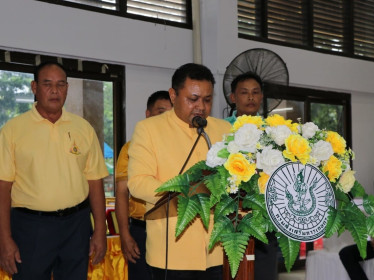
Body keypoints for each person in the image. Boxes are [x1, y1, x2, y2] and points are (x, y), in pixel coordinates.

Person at [0, 62, 108, 280]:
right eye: (47, 84)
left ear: (67, 88)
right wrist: (4, 238)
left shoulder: (83, 128)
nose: (55, 90)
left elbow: (95, 182)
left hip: (76, 226)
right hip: (31, 227)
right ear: (34, 87)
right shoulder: (12, 130)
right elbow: (3, 187)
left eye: (61, 85)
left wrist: (99, 231)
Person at [127, 63, 231, 280]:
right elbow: (138, 183)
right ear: (173, 95)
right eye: (193, 99)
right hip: (172, 253)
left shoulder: (224, 130)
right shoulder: (149, 129)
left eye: (207, 99)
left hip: (219, 250)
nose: (200, 106)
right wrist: (184, 192)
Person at [225, 72, 279, 280]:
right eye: (244, 93)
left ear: (261, 97)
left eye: (255, 92)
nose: (250, 97)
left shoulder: (273, 132)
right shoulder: (221, 128)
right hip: (231, 215)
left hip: (264, 215)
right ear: (233, 97)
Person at [115, 90, 172, 280]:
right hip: (142, 230)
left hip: (173, 229)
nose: (166, 119)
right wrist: (125, 235)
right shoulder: (131, 148)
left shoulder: (181, 148)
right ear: (148, 115)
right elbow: (122, 193)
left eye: (170, 114)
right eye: (160, 112)